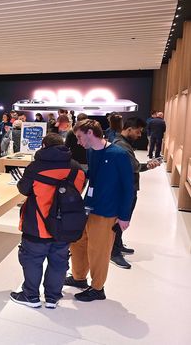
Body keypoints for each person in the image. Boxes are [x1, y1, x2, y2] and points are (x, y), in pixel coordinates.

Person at [10, 133, 86, 308]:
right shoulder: (76, 169)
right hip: (65, 225)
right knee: (59, 261)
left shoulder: (35, 167)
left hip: (37, 223)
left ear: (44, 146)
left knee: (32, 260)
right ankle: (52, 298)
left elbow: (23, 189)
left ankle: (31, 295)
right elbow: (77, 192)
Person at [65, 120, 134, 302]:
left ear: (90, 132)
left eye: (79, 137)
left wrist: (125, 216)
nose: (78, 142)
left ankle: (97, 288)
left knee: (99, 250)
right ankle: (79, 278)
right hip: (88, 206)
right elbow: (93, 177)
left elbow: (129, 187)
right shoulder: (91, 152)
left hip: (107, 211)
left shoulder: (118, 154)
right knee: (78, 243)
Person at [109, 117, 160, 269]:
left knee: (122, 220)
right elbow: (134, 166)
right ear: (129, 129)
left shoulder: (122, 144)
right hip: (125, 190)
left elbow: (134, 166)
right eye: (138, 132)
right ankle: (114, 251)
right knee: (121, 221)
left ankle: (117, 246)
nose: (139, 135)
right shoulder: (122, 146)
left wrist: (147, 166)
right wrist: (147, 166)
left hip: (127, 188)